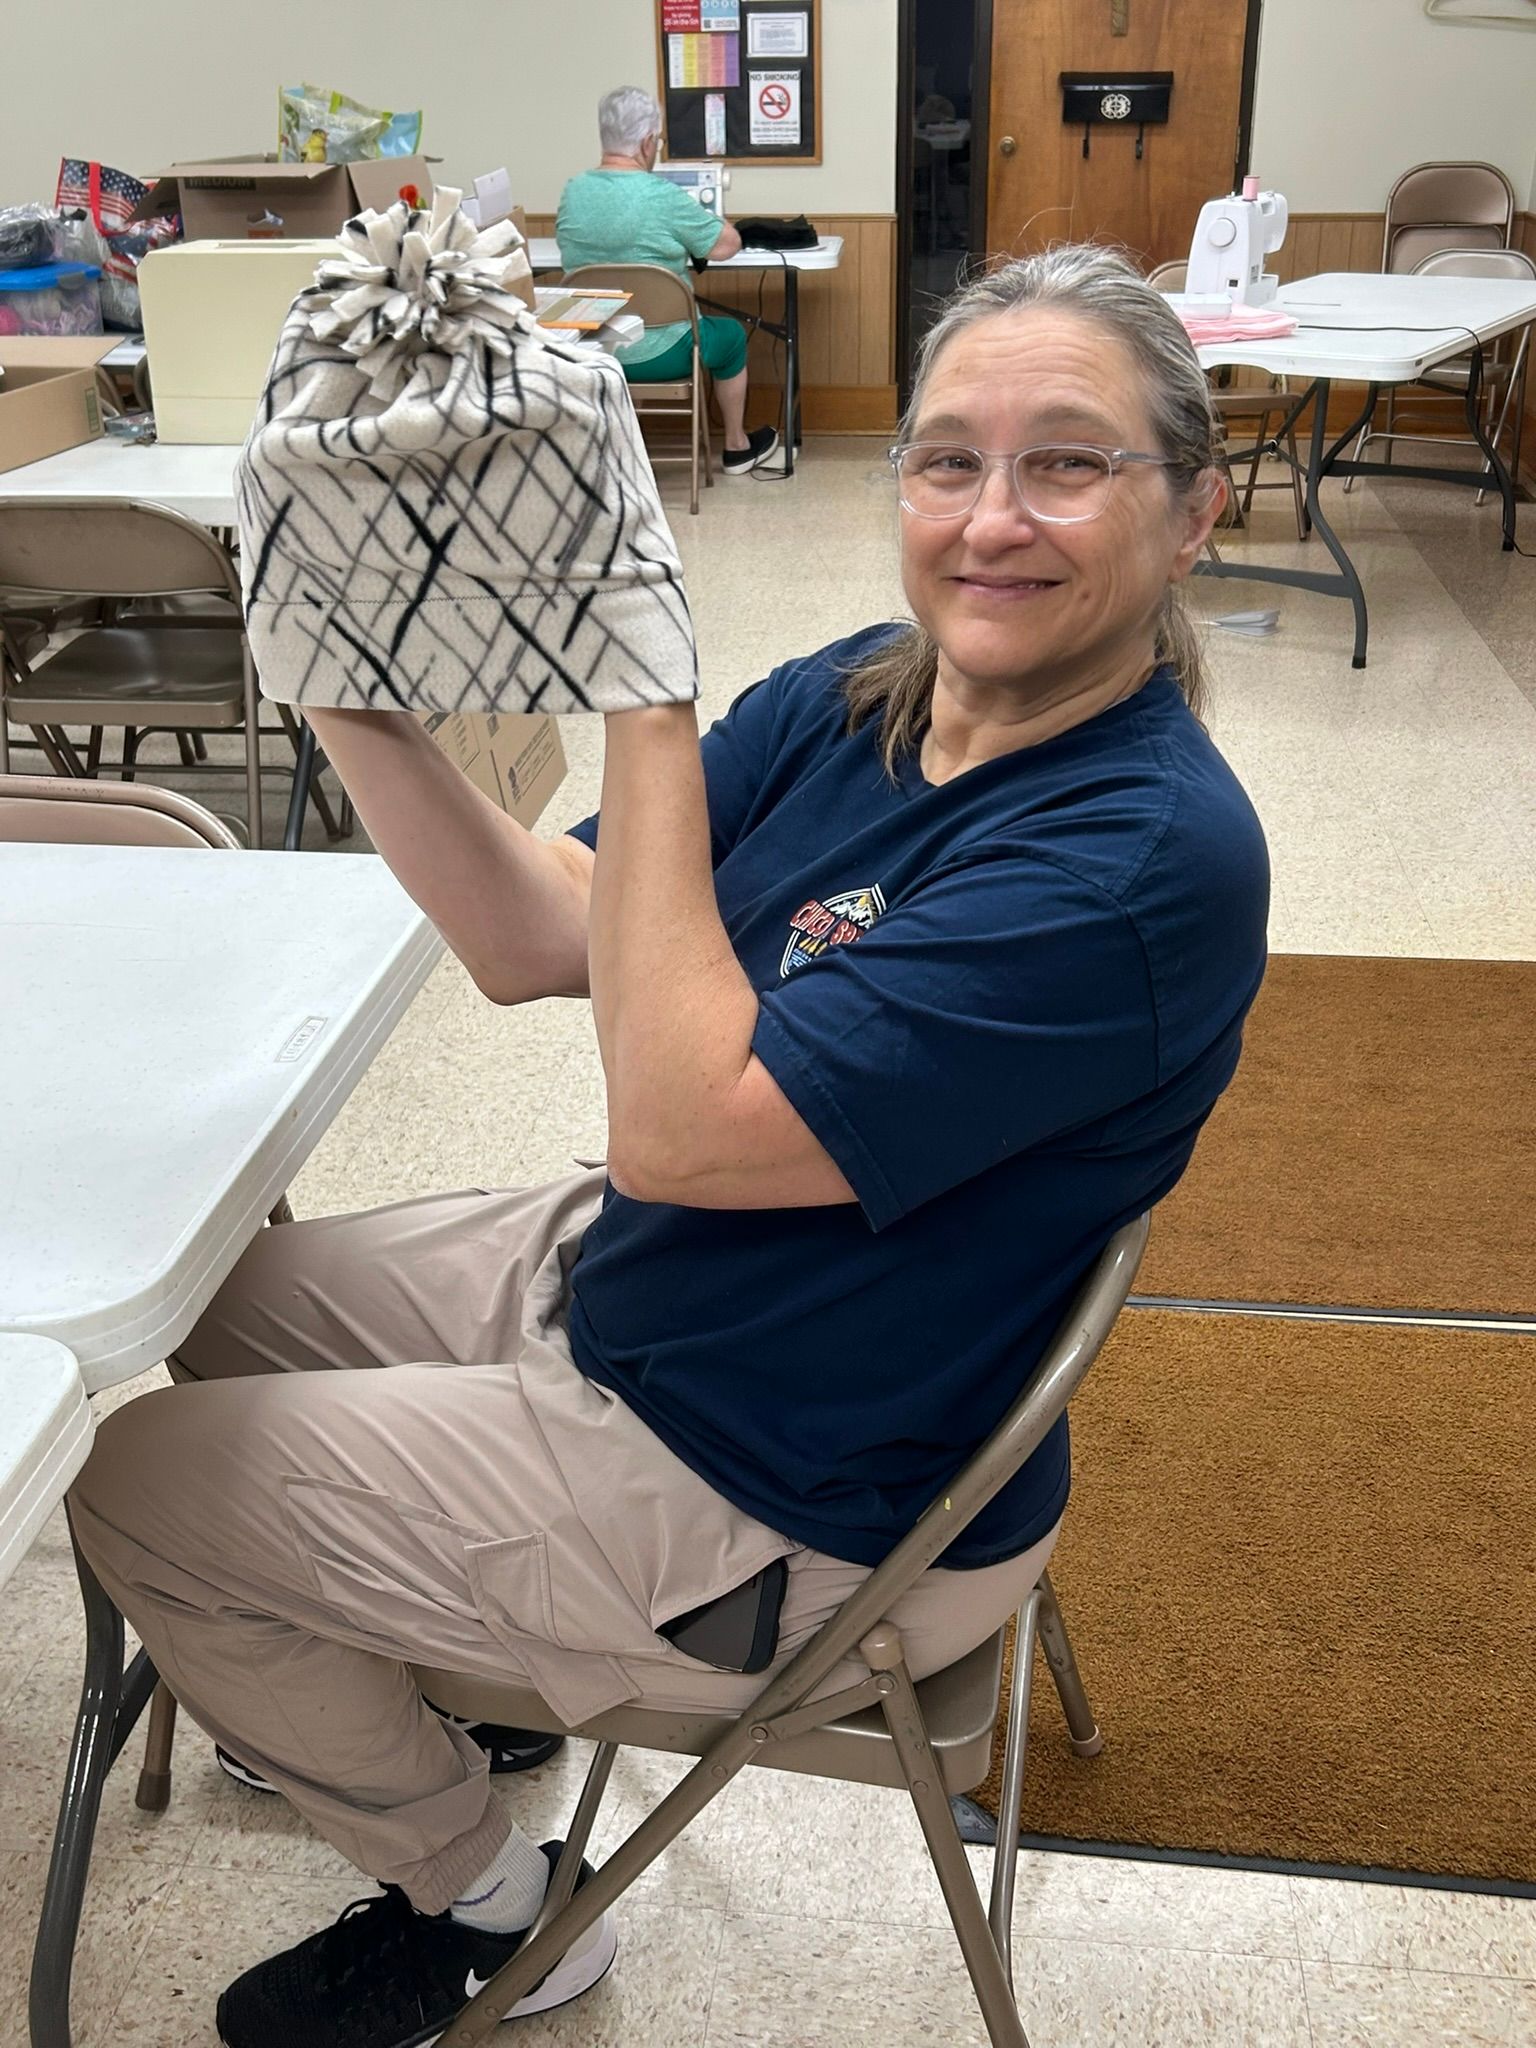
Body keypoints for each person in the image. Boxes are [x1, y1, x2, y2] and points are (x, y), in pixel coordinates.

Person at [69, 244, 1269, 2048]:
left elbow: (685, 1127)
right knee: (222, 1303)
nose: (990, 518)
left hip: (791, 1487)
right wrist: (332, 680)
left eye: (1069, 461)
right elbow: (545, 934)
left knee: (130, 1487)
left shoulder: (1134, 861)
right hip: (674, 1283)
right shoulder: (880, 689)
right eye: (948, 458)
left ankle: (502, 1910)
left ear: (1192, 514)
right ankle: (486, 1694)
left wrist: (642, 688)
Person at [556, 85, 780, 476]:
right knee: (729, 338)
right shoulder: (661, 194)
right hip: (663, 353)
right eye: (657, 141)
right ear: (646, 142)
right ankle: (736, 446)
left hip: (591, 350)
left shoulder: (573, 192)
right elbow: (727, 245)